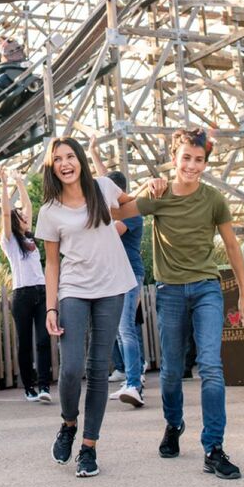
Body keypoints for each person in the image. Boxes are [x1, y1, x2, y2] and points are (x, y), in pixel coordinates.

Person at [114, 127, 244, 481]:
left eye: (199, 160)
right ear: (174, 158)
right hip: (170, 291)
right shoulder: (158, 195)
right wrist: (146, 186)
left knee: (211, 366)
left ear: (206, 163)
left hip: (207, 288)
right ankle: (173, 424)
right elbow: (116, 209)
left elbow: (233, 247)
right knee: (172, 372)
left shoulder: (213, 199)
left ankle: (213, 448)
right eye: (186, 158)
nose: (192, 166)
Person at [38, 136, 136, 478]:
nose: (65, 163)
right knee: (70, 367)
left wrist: (155, 190)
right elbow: (51, 264)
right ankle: (68, 424)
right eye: (57, 159)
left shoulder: (103, 188)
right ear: (52, 168)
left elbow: (135, 207)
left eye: (70, 156)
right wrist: (51, 309)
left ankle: (89, 447)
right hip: (73, 289)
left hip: (112, 287)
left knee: (98, 370)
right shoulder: (50, 210)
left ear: (80, 158)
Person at [88, 136, 146, 408]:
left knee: (125, 328)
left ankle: (135, 381)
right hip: (115, 275)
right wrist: (92, 152)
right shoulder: (116, 209)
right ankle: (129, 375)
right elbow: (103, 183)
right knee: (119, 328)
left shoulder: (130, 212)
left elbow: (113, 230)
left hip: (131, 274)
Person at [0, 166, 52, 405]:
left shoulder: (30, 237)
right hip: (21, 294)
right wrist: (3, 183)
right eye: (19, 216)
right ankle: (29, 386)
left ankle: (43, 385)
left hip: (41, 291)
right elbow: (7, 214)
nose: (23, 216)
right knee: (25, 343)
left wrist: (19, 182)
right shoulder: (10, 241)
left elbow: (28, 208)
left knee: (43, 339)